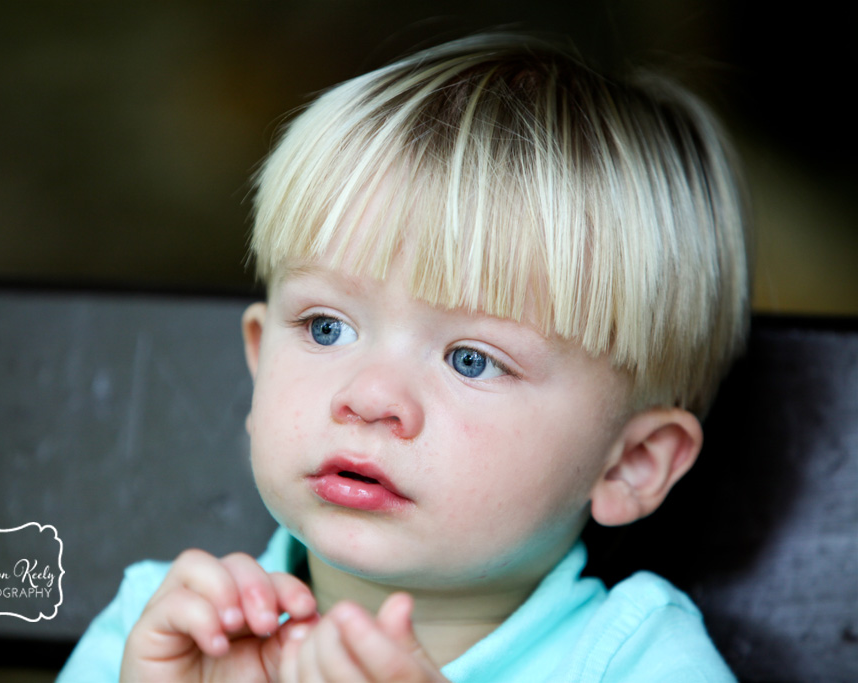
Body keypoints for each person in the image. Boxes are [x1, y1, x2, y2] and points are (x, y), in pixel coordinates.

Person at [59, 32, 748, 682]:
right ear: (259, 357)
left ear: (631, 461)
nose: (369, 396)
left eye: (471, 360)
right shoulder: (160, 634)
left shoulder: (632, 661)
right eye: (327, 327)